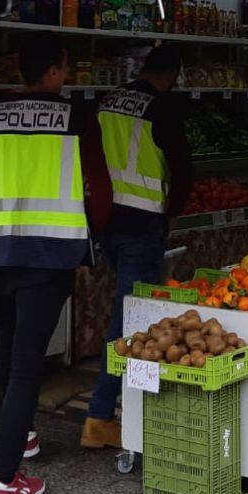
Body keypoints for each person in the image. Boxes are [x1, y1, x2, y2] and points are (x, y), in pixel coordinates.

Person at [0, 32, 112, 494]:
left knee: (8, 347)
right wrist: (92, 239)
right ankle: (4, 479)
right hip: (49, 257)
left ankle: (20, 436)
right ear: (55, 70)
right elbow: (99, 192)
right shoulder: (77, 118)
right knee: (26, 366)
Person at [81, 44, 192, 449]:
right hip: (142, 224)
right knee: (129, 319)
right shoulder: (161, 109)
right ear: (173, 73)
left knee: (126, 312)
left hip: (107, 221)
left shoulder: (107, 100)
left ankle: (123, 406)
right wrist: (172, 211)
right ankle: (100, 414)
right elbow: (181, 169)